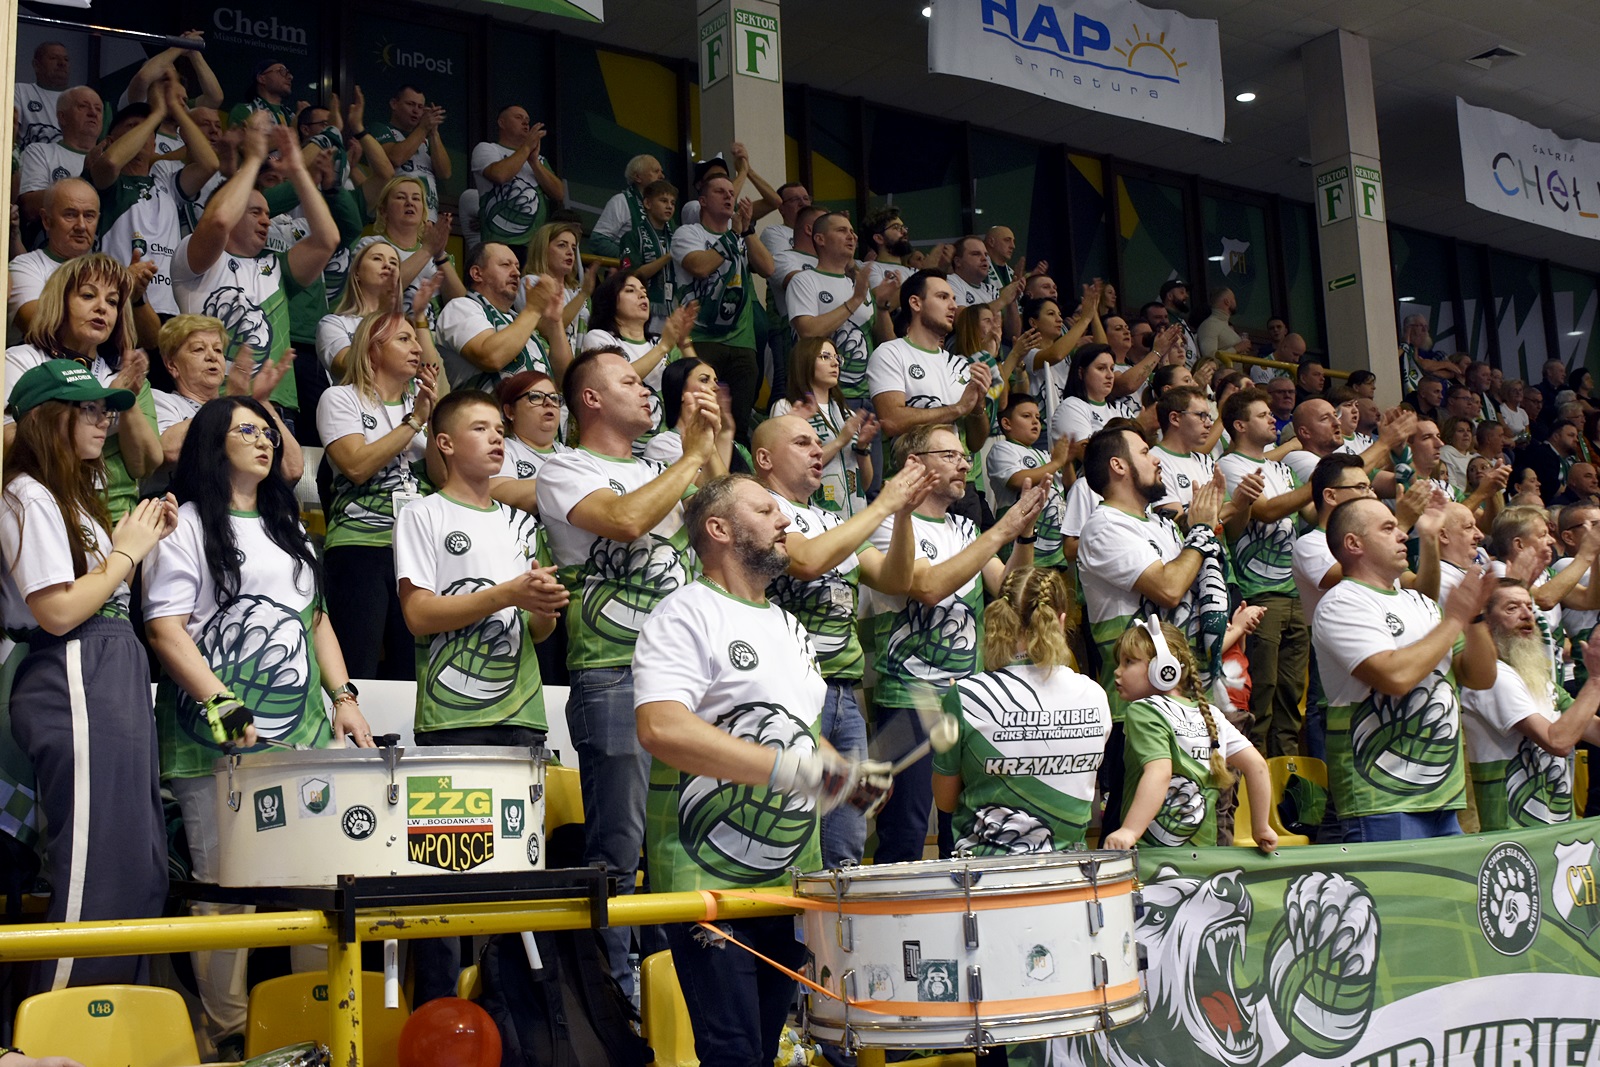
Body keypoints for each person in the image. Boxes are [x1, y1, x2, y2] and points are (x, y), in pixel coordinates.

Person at [634, 473, 888, 1067]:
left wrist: (846, 774)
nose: (786, 521)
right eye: (765, 510)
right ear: (719, 529)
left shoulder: (790, 626)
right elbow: (661, 727)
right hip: (706, 882)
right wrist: (791, 770)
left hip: (788, 879)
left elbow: (799, 730)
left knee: (765, 1047)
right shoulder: (683, 614)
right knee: (734, 1053)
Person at [144, 395, 370, 1053]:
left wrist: (345, 696)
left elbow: (316, 618)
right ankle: (229, 1034)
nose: (264, 440)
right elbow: (165, 629)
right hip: (213, 740)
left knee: (318, 883)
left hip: (302, 739)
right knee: (226, 892)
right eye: (247, 430)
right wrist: (221, 701)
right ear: (213, 443)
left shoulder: (286, 522)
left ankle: (315, 1027)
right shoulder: (184, 522)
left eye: (268, 430)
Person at [534, 346, 722, 995]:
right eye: (628, 381)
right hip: (614, 672)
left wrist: (709, 447)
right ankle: (618, 1001)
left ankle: (679, 994)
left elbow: (723, 532)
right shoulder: (566, 467)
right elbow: (624, 519)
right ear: (590, 399)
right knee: (618, 850)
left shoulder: (658, 468)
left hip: (686, 682)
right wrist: (691, 458)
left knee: (684, 846)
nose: (646, 390)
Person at [0, 361, 177, 989]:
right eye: (90, 409)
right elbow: (57, 610)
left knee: (138, 861)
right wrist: (127, 550)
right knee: (96, 865)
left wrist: (141, 540)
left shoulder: (69, 496)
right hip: (73, 662)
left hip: (109, 660)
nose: (105, 420)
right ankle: (64, 1027)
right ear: (49, 419)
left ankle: (114, 1018)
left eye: (107, 409)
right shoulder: (28, 493)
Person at [395, 389, 569, 1002]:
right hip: (452, 723)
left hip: (522, 716)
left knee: (515, 878)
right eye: (480, 428)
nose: (497, 437)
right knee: (443, 877)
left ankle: (513, 1016)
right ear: (444, 443)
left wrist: (542, 607)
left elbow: (538, 631)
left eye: (500, 428)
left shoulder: (521, 523)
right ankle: (438, 1014)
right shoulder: (421, 514)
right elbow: (418, 614)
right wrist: (507, 594)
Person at [859, 424, 1047, 863]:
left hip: (966, 696)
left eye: (964, 456)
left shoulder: (964, 527)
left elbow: (1010, 591)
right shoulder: (888, 523)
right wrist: (999, 533)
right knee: (905, 829)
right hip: (911, 697)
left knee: (962, 825)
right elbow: (927, 587)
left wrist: (1023, 534)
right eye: (949, 456)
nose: (964, 464)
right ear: (914, 464)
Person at [754, 416, 932, 865]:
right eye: (802, 442)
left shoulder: (832, 519)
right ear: (764, 458)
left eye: (818, 442)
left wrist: (903, 515)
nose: (818, 451)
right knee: (791, 830)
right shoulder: (762, 509)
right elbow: (807, 561)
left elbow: (894, 579)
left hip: (844, 694)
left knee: (846, 840)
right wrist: (883, 504)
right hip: (787, 693)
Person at [1314, 496, 1496, 841]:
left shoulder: (1422, 603)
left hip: (1444, 794)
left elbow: (1481, 677)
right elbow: (1394, 677)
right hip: (1380, 798)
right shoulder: (1342, 602)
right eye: (1388, 528)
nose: (1401, 534)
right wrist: (1455, 618)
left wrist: (1474, 618)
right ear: (1354, 544)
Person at [933, 567, 1111, 852]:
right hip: (1070, 871)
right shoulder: (1095, 695)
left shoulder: (966, 696)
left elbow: (945, 801)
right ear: (1061, 620)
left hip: (986, 871)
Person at [173, 117, 338, 419]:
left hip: (275, 408)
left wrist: (298, 171)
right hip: (213, 405)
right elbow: (219, 219)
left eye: (267, 213)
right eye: (255, 212)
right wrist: (253, 159)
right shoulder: (192, 258)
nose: (266, 220)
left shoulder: (275, 266)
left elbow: (328, 239)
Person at [317, 312, 443, 679]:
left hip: (417, 550)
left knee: (413, 671)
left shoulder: (420, 405)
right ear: (373, 350)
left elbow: (440, 478)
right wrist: (415, 423)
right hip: (360, 545)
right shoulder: (341, 398)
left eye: (416, 339)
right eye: (404, 339)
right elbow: (356, 466)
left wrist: (433, 420)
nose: (417, 347)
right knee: (358, 664)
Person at [3, 254, 162, 523]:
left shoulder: (126, 374)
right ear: (60, 302)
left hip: (120, 519)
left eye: (112, 302)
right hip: (49, 513)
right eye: (88, 296)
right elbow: (9, 442)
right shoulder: (22, 360)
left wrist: (126, 399)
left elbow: (145, 465)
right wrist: (103, 403)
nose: (102, 308)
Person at [1104, 619, 1276, 851]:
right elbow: (1257, 766)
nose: (1117, 671)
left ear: (1163, 669)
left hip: (1153, 857)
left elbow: (1160, 772)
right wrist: (1261, 828)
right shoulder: (1210, 714)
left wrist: (1130, 831)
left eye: (1129, 662)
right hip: (1204, 856)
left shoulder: (1144, 710)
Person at [1219, 388, 1314, 756]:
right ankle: (1255, 768)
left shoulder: (1282, 468)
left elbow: (1309, 513)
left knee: (1291, 692)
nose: (1273, 419)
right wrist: (1320, 484)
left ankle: (1285, 770)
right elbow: (1268, 510)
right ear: (1239, 425)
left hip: (1294, 591)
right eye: (1262, 415)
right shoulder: (1231, 465)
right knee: (1262, 689)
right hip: (1259, 592)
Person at [1462, 579, 1600, 831]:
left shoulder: (1537, 678)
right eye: (1512, 608)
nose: (1527, 615)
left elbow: (1594, 731)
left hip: (1553, 827)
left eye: (1529, 606)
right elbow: (1557, 742)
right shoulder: (1494, 677)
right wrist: (1595, 682)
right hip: (1511, 831)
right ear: (1486, 621)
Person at [88, 82, 220, 320]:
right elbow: (110, 162)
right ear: (110, 140)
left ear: (155, 144)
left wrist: (176, 110)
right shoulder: (104, 181)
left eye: (148, 130)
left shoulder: (166, 182)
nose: (142, 133)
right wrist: (157, 114)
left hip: (168, 309)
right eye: (132, 127)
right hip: (118, 305)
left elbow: (209, 164)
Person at [671, 173, 774, 445]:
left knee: (736, 426)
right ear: (703, 201)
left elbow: (768, 268)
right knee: (698, 421)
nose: (729, 196)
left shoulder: (740, 235)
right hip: (700, 338)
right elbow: (700, 266)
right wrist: (734, 234)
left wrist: (747, 231)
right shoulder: (688, 233)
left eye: (731, 192)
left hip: (742, 341)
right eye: (720, 191)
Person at [152, 314, 301, 484]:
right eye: (198, 349)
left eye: (218, 350)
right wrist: (229, 402)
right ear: (172, 365)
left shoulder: (243, 410)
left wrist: (262, 403)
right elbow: (167, 452)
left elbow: (292, 470)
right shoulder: (160, 401)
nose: (212, 356)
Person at [869, 271, 991, 467]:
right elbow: (891, 421)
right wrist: (957, 409)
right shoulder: (891, 353)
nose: (953, 306)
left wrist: (977, 406)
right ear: (916, 303)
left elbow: (975, 444)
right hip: (910, 477)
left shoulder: (960, 365)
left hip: (958, 476)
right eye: (942, 297)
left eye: (954, 299)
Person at [582, 270, 697, 455]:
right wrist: (663, 347)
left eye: (644, 291)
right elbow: (615, 380)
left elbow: (700, 380)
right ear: (610, 301)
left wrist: (683, 342)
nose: (642, 295)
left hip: (666, 446)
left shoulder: (661, 342)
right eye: (630, 290)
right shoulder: (599, 338)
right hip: (620, 445)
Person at [787, 212, 892, 403]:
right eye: (842, 230)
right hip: (822, 395)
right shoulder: (804, 280)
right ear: (820, 239)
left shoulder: (860, 285)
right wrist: (855, 300)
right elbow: (808, 331)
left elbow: (886, 342)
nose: (852, 236)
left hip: (866, 395)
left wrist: (883, 307)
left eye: (852, 231)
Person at [436, 243, 569, 394]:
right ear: (477, 274)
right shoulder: (460, 307)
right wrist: (533, 309)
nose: (516, 273)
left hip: (543, 406)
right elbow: (491, 357)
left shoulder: (520, 323)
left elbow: (565, 380)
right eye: (505, 265)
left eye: (517, 267)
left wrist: (555, 322)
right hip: (490, 409)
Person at [770, 337, 877, 517]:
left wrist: (862, 448)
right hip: (814, 519)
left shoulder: (848, 414)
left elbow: (864, 485)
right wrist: (840, 441)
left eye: (837, 358)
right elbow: (785, 471)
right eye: (825, 357)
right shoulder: (787, 408)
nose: (835, 363)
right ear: (805, 361)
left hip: (856, 520)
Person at [354, 175, 465, 332]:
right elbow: (383, 290)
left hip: (432, 339)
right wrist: (427, 250)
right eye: (401, 197)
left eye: (416, 198)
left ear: (423, 211)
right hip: (385, 333)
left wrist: (439, 255)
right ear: (383, 210)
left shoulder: (439, 254)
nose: (409, 203)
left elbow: (460, 304)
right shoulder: (370, 246)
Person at [8, 178, 100, 341]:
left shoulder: (106, 272)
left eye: (89, 216)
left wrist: (135, 297)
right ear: (46, 220)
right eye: (70, 215)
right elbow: (39, 327)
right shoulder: (25, 266)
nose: (81, 226)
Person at [985, 393, 1070, 567]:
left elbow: (1066, 487)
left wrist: (1067, 461)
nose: (1035, 422)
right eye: (1026, 416)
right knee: (1023, 583)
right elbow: (1017, 480)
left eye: (1038, 417)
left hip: (1055, 549)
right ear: (1007, 423)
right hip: (1021, 544)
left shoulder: (1045, 455)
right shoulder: (1003, 448)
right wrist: (1057, 463)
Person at [471, 105, 564, 261]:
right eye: (518, 118)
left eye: (527, 120)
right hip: (499, 243)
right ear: (501, 122)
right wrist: (526, 147)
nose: (525, 123)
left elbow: (559, 193)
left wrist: (534, 162)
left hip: (533, 248)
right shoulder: (488, 149)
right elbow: (500, 175)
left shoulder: (539, 160)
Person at [317, 240, 409, 376]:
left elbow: (424, 370)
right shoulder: (334, 323)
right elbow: (346, 367)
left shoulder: (405, 326)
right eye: (377, 258)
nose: (387, 265)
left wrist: (419, 317)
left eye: (394, 263)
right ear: (357, 273)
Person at [17, 87, 102, 227]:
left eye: (98, 109)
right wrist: (86, 178)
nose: (93, 113)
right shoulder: (40, 152)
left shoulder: (109, 160)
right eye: (83, 106)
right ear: (62, 117)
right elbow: (29, 206)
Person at [372, 85, 451, 221]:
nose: (416, 111)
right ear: (394, 104)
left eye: (420, 107)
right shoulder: (380, 129)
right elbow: (396, 158)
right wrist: (423, 128)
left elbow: (445, 173)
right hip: (396, 216)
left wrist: (434, 133)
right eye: (410, 104)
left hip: (428, 218)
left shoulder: (426, 139)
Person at [615, 179, 678, 335]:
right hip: (645, 310)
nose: (669, 206)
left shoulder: (677, 237)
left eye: (672, 203)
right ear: (648, 203)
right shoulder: (633, 236)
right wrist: (669, 256)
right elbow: (633, 275)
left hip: (674, 309)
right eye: (663, 201)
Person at [590, 154, 665, 258]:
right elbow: (598, 241)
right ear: (638, 177)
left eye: (661, 171)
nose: (662, 176)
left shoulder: (663, 206)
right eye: (656, 171)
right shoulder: (621, 201)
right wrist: (632, 259)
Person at [15, 40, 72, 147]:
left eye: (66, 59)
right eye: (53, 58)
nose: (62, 63)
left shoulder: (80, 99)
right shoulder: (20, 91)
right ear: (36, 65)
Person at [229, 60, 295, 128]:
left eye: (288, 73)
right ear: (261, 79)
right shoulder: (244, 111)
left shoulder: (291, 117)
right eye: (282, 71)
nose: (290, 77)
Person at [1194, 287, 1253, 361]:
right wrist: (1236, 349)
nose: (1236, 302)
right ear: (1227, 301)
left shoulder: (1226, 326)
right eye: (1234, 299)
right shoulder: (1210, 325)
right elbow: (1209, 358)